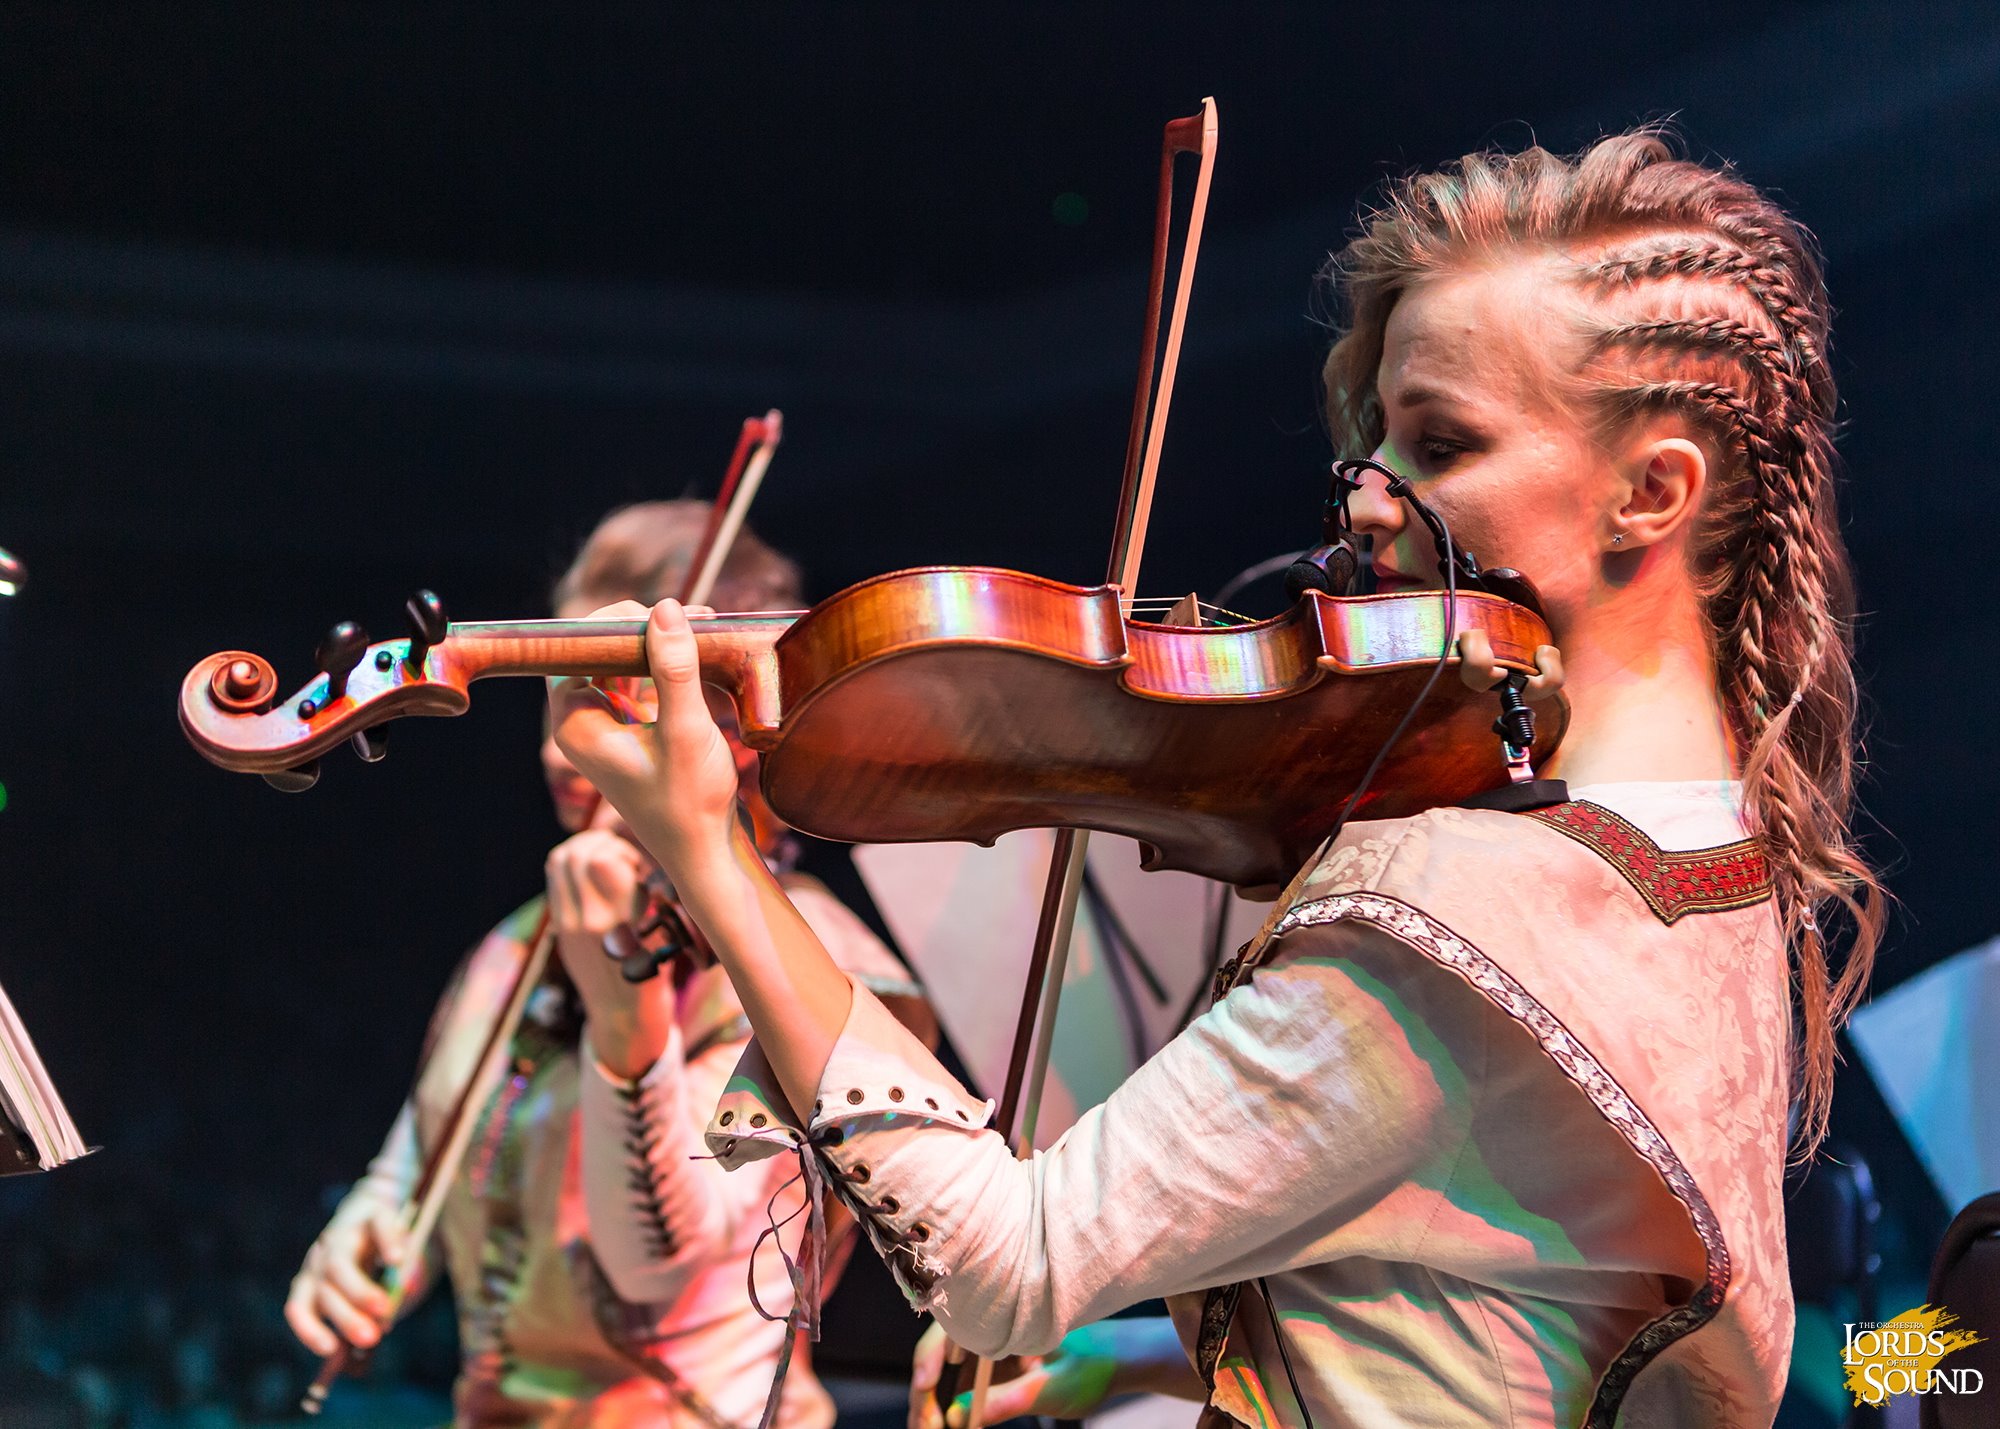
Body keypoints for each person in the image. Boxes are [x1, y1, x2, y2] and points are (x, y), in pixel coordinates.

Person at [548, 131, 1884, 1429]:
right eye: (1380, 440)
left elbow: (1004, 1264)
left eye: (1442, 442)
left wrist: (712, 852)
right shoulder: (1720, 864)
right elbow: (1484, 1323)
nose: (1368, 497)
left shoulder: (1461, 914)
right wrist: (1140, 1373)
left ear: (1651, 491)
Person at [286, 501, 927, 1429]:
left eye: (611, 689)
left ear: (739, 730)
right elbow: (422, 1159)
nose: (558, 744)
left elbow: (661, 1264)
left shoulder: (827, 977)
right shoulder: (519, 940)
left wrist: (626, 1026)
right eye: (556, 685)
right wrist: (364, 1228)